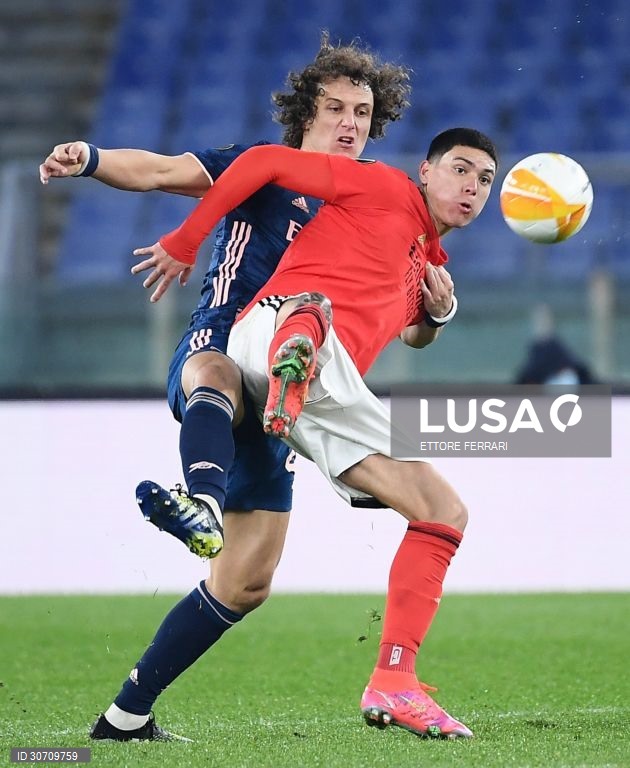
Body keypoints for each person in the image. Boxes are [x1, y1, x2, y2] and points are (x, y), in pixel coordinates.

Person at [40, 34, 414, 741]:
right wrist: (88, 158)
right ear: (306, 111)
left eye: (362, 112)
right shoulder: (259, 168)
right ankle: (201, 503)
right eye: (335, 107)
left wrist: (436, 306)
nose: (349, 123)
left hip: (289, 390)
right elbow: (155, 170)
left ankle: (126, 717)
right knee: (216, 374)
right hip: (223, 338)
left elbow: (411, 318)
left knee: (246, 582)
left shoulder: (372, 199)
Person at [134, 126, 498, 740]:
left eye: (485, 180)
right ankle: (298, 343)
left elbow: (413, 331)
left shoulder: (428, 263)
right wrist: (186, 238)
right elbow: (264, 162)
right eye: (460, 170)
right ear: (426, 171)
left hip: (322, 394)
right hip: (273, 327)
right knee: (311, 319)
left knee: (442, 513)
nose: (472, 187)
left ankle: (394, 681)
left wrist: (437, 315)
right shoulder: (382, 184)